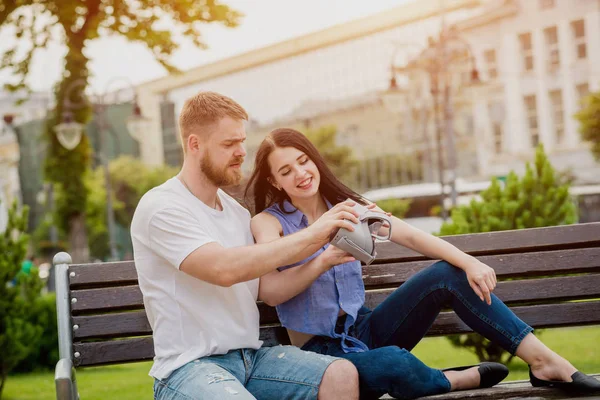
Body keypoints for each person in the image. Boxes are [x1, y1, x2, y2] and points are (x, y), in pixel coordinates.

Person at [245, 127, 600, 399]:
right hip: (319, 355)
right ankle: (454, 378)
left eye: (303, 161)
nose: (300, 173)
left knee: (446, 273)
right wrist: (323, 260)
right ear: (274, 180)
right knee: (393, 363)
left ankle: (543, 361)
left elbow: (412, 236)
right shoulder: (270, 223)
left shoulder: (350, 210)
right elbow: (272, 293)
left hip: (365, 331)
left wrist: (469, 262)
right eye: (286, 170)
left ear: (314, 159)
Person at [131, 92, 362, 400]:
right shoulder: (162, 207)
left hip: (252, 360)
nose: (241, 152)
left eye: (241, 141)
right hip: (188, 369)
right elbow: (223, 268)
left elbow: (265, 275)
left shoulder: (238, 213)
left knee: (341, 374)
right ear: (194, 144)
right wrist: (316, 233)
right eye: (229, 144)